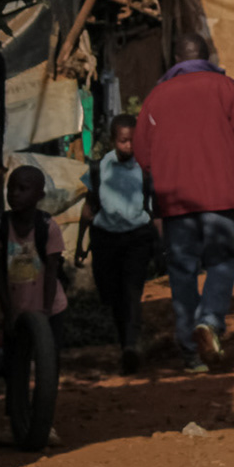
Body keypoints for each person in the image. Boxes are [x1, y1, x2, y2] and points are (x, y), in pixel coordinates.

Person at [136, 32, 234, 372]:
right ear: (208, 56)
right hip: (220, 191)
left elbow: (142, 154)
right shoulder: (226, 88)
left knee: (182, 268)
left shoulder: (156, 96)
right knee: (220, 259)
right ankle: (210, 321)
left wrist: (162, 175)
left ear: (174, 59)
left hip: (174, 196)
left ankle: (191, 353)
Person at [75, 114, 157, 374]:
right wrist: (80, 243)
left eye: (133, 141)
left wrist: (162, 246)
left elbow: (156, 211)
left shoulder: (144, 170)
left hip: (137, 237)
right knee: (112, 295)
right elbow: (89, 208)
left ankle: (130, 345)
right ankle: (126, 342)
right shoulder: (99, 169)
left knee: (132, 291)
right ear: (113, 141)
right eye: (123, 141)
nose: (128, 147)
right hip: (105, 238)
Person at [0, 164, 68, 350]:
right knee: (15, 359)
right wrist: (8, 311)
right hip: (15, 309)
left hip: (50, 309)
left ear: (39, 195)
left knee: (49, 360)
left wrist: (46, 312)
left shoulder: (48, 227)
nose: (14, 194)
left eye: (23, 189)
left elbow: (52, 273)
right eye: (11, 188)